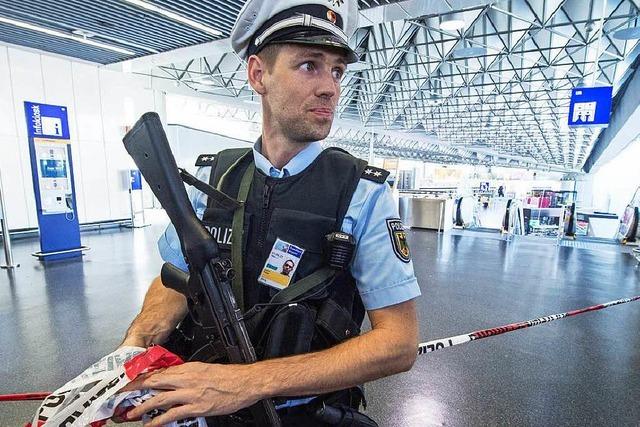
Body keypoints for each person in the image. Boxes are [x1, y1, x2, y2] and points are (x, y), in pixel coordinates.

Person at [120, 1, 421, 425]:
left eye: (336, 70)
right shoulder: (217, 177)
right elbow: (174, 279)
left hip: (302, 415)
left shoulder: (362, 193)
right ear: (258, 74)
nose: (331, 88)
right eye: (309, 66)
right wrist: (136, 345)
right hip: (199, 407)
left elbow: (398, 342)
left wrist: (250, 382)